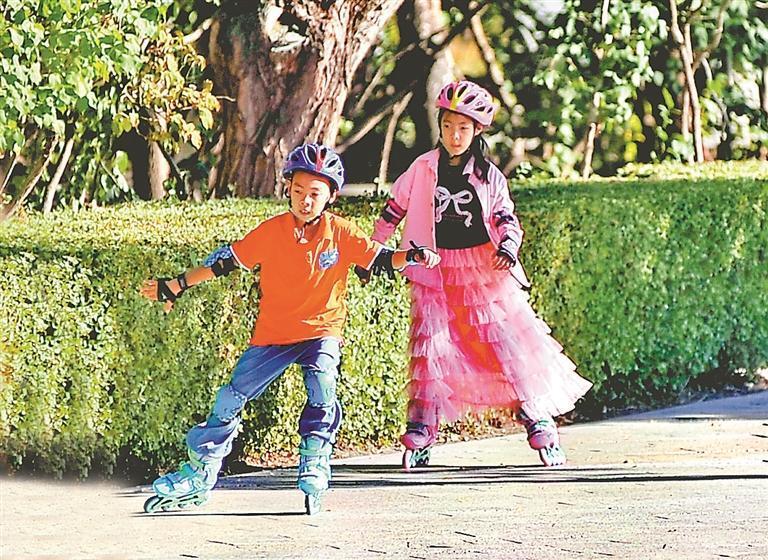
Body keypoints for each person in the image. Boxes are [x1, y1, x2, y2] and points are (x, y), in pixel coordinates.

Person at [140, 143, 439, 514]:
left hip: (321, 331)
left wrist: (413, 256)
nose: (305, 200)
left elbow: (380, 260)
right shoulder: (273, 231)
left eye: (314, 193)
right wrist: (177, 284)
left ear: (330, 196)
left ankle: (315, 457)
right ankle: (200, 473)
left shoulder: (340, 232)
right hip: (274, 334)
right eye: (298, 191)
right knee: (229, 399)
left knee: (323, 383)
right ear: (288, 190)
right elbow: (224, 263)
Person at [364, 80, 592, 470]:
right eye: (448, 126)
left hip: (482, 269)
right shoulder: (422, 168)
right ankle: (421, 429)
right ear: (440, 126)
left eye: (463, 128)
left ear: (477, 131)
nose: (455, 136)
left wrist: (508, 247)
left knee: (504, 344)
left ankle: (539, 422)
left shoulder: (488, 175)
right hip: (432, 268)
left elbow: (505, 218)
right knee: (431, 347)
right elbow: (393, 209)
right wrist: (372, 252)